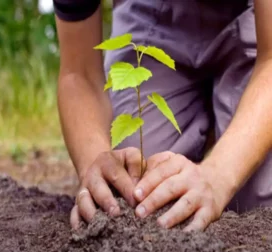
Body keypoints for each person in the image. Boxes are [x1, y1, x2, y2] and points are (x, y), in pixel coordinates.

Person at [53, 0, 272, 231]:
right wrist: (94, 165)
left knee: (261, 201)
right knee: (137, 186)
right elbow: (79, 73)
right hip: (152, 13)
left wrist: (218, 175)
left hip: (256, 19)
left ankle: (221, 126)